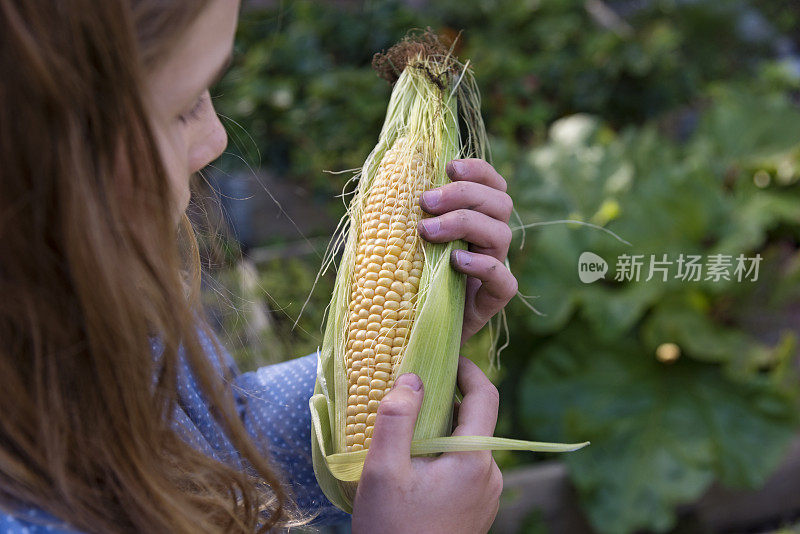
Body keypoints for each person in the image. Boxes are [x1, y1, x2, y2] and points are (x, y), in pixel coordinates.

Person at [0, 1, 518, 532]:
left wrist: (407, 347)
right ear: (43, 154)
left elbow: (220, 435)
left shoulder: (113, 298)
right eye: (182, 107)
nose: (216, 139)